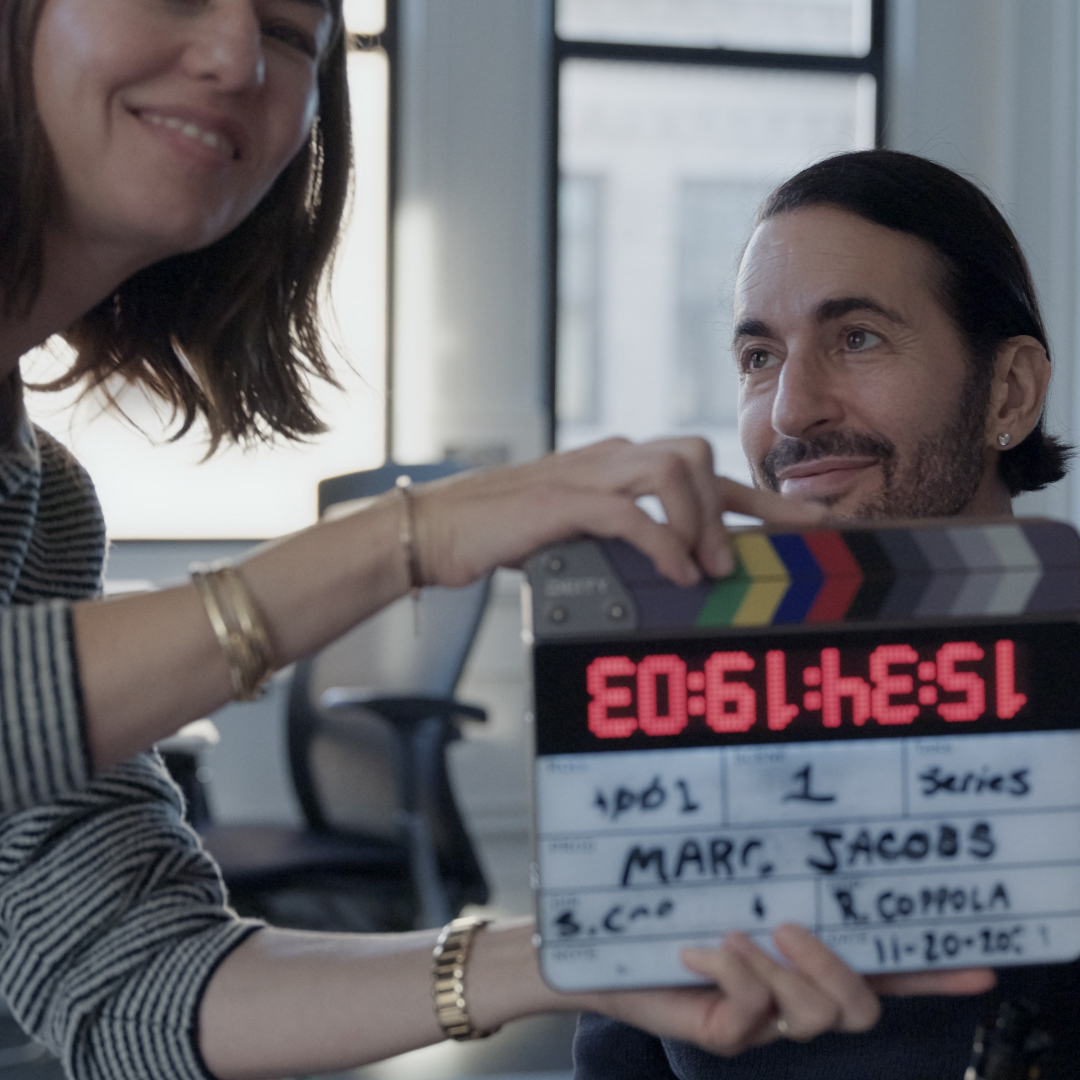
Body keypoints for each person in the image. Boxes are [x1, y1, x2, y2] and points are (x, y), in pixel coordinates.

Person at [0, 4, 992, 1079]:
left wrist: (570, 955)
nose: (238, 56)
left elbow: (128, 988)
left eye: (294, 31)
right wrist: (410, 536)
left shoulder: (44, 505)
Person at [573, 149, 1080, 1079]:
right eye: (759, 356)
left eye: (857, 339)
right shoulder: (680, 707)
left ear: (1007, 392)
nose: (791, 410)